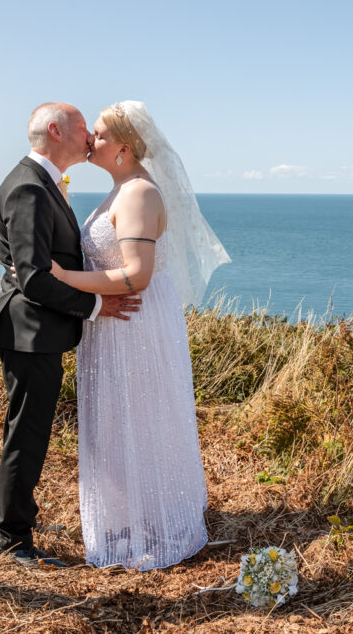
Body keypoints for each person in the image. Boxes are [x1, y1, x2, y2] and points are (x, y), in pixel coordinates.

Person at [49, 101, 230, 570]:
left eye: (102, 134)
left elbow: (137, 275)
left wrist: (63, 279)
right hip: (110, 325)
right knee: (114, 420)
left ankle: (158, 522)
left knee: (142, 416)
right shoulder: (118, 190)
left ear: (124, 147)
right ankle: (129, 517)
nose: (92, 140)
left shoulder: (138, 195)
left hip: (135, 325)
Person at [0, 102, 141, 568]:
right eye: (82, 129)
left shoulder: (43, 184)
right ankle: (12, 540)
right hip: (29, 332)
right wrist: (96, 304)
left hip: (39, 332)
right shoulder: (30, 189)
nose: (90, 139)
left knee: (30, 432)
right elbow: (33, 278)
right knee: (27, 435)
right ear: (56, 131)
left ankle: (18, 523)